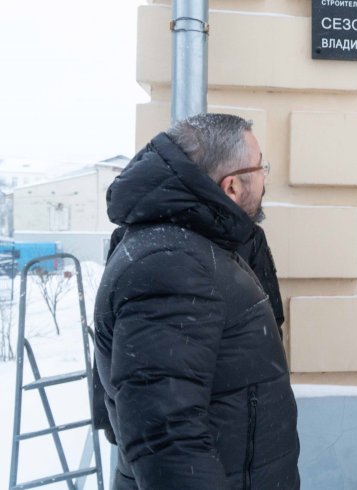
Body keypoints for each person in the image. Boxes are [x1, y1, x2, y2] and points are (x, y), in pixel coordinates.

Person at [94, 113, 300, 489]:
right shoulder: (172, 264)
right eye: (261, 167)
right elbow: (167, 436)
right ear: (233, 185)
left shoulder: (194, 246)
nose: (265, 178)